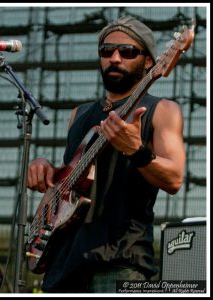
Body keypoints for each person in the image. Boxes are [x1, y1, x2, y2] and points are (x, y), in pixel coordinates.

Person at [27, 16, 185, 293]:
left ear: (150, 62)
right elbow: (72, 180)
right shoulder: (79, 114)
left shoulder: (163, 110)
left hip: (121, 262)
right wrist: (47, 171)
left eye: (127, 52)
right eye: (106, 51)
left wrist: (136, 149)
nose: (114, 58)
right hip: (63, 265)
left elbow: (174, 179)